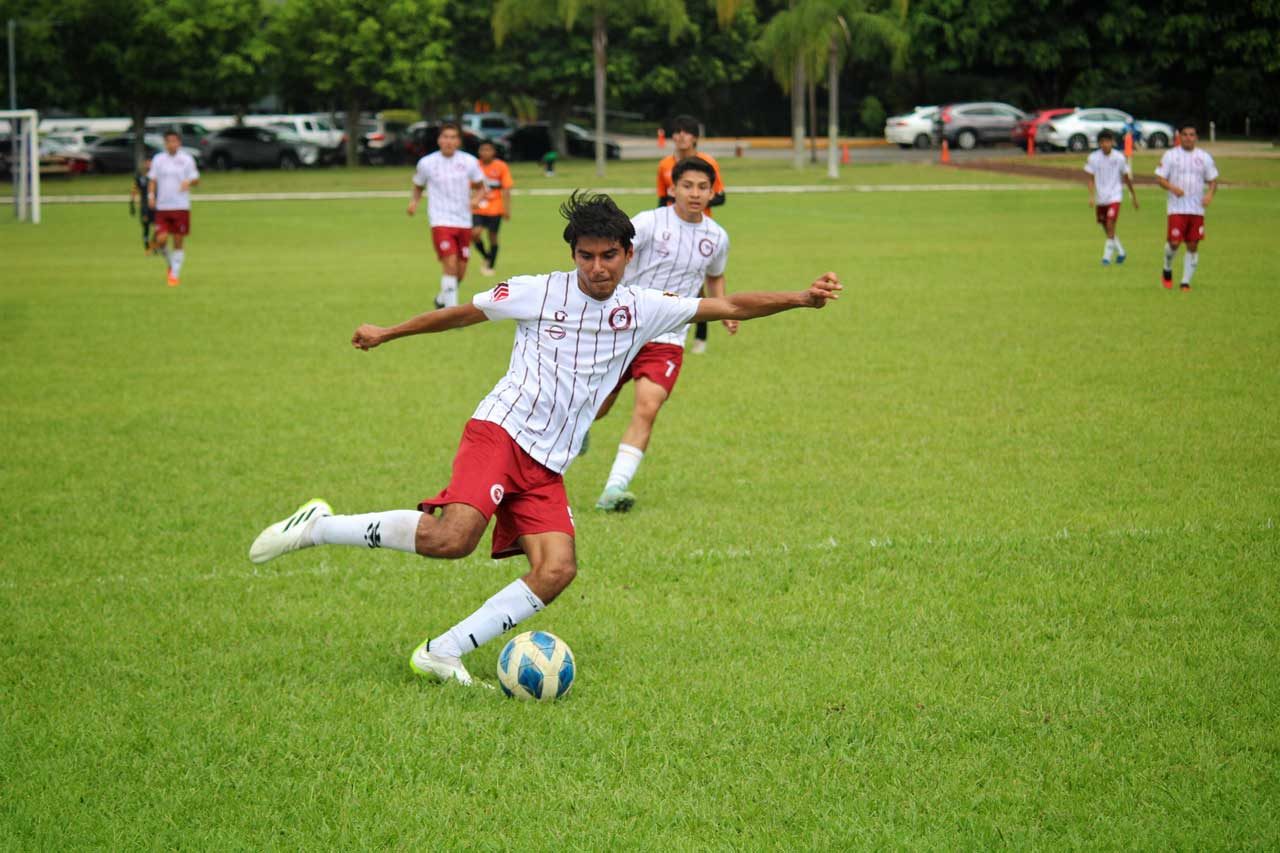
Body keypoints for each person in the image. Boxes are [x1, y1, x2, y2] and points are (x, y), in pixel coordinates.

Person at [248, 190, 842, 686]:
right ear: (573, 254)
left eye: (609, 255)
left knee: (557, 570)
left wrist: (800, 298)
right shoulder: (537, 290)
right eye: (586, 256)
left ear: (628, 254)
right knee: (453, 538)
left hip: (547, 462)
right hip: (501, 431)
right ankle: (319, 527)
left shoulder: (645, 306)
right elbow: (460, 315)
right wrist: (387, 331)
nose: (598, 268)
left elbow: (729, 301)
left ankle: (443, 652)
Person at [591, 157, 735, 512]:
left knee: (648, 407)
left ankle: (614, 489)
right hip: (622, 328)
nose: (695, 193)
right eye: (688, 186)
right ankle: (577, 430)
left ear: (713, 192)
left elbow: (714, 276)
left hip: (668, 337)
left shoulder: (716, 237)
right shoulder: (648, 223)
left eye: (703, 187)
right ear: (672, 189)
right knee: (598, 405)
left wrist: (723, 309)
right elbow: (613, 254)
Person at [658, 115, 727, 355]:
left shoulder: (708, 163)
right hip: (672, 230)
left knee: (698, 286)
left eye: (686, 131)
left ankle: (701, 336)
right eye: (677, 131)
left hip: (700, 232)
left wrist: (693, 200)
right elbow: (661, 198)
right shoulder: (664, 165)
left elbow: (721, 196)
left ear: (695, 136)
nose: (681, 136)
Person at [407, 123, 485, 308]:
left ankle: (442, 299)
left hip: (463, 221)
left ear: (458, 141)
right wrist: (414, 202)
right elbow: (418, 185)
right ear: (439, 140)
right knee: (449, 263)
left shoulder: (469, 161)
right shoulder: (427, 163)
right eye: (445, 137)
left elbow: (481, 187)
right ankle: (451, 313)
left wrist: (476, 199)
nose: (449, 141)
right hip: (440, 220)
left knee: (460, 271)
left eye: (453, 137)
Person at [1155, 122, 1218, 291]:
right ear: (1179, 136)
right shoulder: (1170, 155)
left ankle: (1185, 282)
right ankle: (1167, 268)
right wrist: (1172, 188)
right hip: (1176, 208)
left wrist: (1209, 194)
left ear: (1196, 137)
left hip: (1197, 209)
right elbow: (1160, 178)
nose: (1188, 138)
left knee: (1193, 245)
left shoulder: (1204, 157)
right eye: (1185, 134)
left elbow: (1213, 181)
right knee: (1174, 243)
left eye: (1192, 135)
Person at [147, 130, 200, 287]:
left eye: (174, 141)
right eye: (168, 141)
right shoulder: (158, 159)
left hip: (180, 206)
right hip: (163, 206)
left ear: (179, 143)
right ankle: (171, 265)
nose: (171, 144)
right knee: (161, 240)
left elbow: (196, 179)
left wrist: (188, 182)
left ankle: (174, 275)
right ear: (165, 143)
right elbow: (152, 180)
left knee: (178, 241)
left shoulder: (186, 159)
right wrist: (151, 196)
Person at [1083, 129, 1139, 265]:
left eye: (1108, 141)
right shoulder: (1093, 158)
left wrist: (1133, 196)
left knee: (1110, 223)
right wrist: (1091, 196)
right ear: (1099, 143)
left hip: (1115, 196)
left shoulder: (1119, 158)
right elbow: (1090, 178)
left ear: (1112, 142)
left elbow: (1126, 178)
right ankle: (1121, 251)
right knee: (1107, 227)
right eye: (1102, 142)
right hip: (1101, 198)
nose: (1105, 144)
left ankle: (1106, 258)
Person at [471, 140, 514, 277]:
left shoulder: (501, 166)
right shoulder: (474, 166)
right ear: (479, 152)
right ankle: (486, 255)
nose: (485, 153)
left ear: (493, 152)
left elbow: (506, 189)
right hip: (478, 207)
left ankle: (490, 265)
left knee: (493, 236)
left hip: (495, 207)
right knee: (475, 233)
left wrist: (507, 209)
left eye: (488, 150)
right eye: (483, 150)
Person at [129, 154, 156, 253]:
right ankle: (147, 247)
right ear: (144, 164)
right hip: (144, 206)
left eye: (150, 162)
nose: (149, 164)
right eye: (147, 162)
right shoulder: (139, 176)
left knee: (158, 227)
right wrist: (132, 204)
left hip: (156, 205)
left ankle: (154, 245)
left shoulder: (156, 175)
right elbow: (134, 190)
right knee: (146, 227)